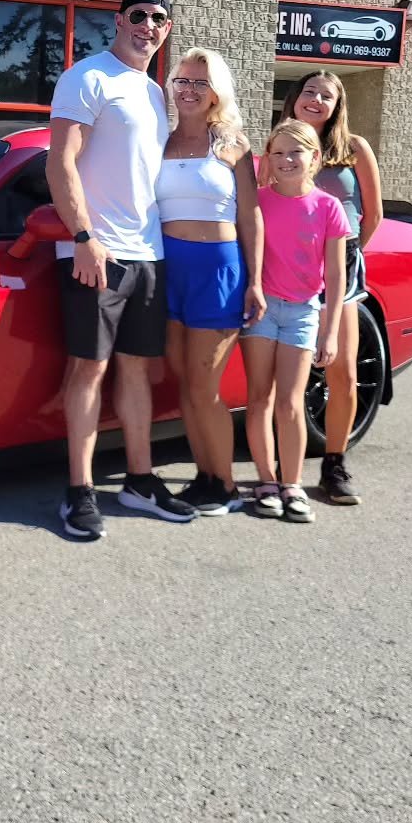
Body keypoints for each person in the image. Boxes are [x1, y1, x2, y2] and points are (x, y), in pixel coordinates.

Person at [48, 0, 191, 540]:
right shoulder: (88, 77)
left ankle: (139, 479)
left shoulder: (155, 93)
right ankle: (79, 491)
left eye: (158, 18)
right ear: (118, 19)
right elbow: (61, 164)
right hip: (96, 252)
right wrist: (82, 236)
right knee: (89, 370)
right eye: (138, 14)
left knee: (138, 368)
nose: (148, 24)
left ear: (166, 29)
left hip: (147, 252)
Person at [156, 48, 265, 516]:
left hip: (217, 269)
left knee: (205, 384)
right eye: (182, 80)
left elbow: (250, 215)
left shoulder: (234, 146)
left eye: (200, 83)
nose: (189, 89)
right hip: (167, 266)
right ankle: (204, 477)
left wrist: (255, 281)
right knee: (184, 382)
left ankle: (225, 486)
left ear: (216, 92)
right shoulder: (157, 141)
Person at [273, 71, 382, 504]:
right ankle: (287, 468)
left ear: (338, 106)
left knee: (343, 372)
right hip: (288, 270)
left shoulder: (355, 149)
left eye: (327, 95)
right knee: (290, 377)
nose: (316, 100)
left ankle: (334, 464)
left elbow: (371, 215)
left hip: (341, 265)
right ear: (295, 98)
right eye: (309, 92)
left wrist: (345, 255)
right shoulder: (279, 144)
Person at [242, 119, 348, 523]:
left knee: (290, 402)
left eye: (296, 152)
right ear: (267, 158)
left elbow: (337, 276)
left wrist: (330, 329)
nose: (286, 160)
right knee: (259, 399)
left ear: (315, 157)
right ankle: (267, 482)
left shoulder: (328, 207)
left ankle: (293, 484)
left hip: (303, 312)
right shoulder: (258, 201)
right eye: (278, 152)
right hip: (262, 311)